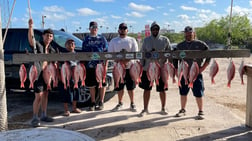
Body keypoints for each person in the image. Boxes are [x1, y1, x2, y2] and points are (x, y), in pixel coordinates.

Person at [174, 26, 210, 120]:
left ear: (193, 33)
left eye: (190, 33)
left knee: (198, 93)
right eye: (186, 33)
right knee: (183, 92)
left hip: (196, 73)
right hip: (184, 72)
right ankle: (182, 110)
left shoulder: (200, 44)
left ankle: (201, 111)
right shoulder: (180, 45)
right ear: (184, 34)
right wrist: (176, 69)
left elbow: (209, 54)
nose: (188, 35)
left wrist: (203, 67)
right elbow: (174, 57)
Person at [28, 19, 58, 127]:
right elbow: (31, 40)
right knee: (38, 96)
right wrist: (30, 27)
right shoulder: (38, 45)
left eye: (50, 36)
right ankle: (35, 117)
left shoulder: (53, 50)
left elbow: (55, 63)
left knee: (46, 94)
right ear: (43, 36)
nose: (49, 38)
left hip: (48, 75)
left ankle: (44, 115)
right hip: (38, 74)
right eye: (47, 35)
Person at [138, 21, 171, 117]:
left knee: (162, 89)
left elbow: (169, 52)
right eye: (153, 29)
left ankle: (163, 107)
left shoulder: (165, 40)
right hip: (148, 68)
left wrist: (168, 63)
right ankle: (145, 109)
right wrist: (142, 66)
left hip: (161, 69)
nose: (155, 30)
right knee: (146, 89)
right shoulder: (146, 40)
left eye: (157, 29)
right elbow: (142, 53)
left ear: (159, 30)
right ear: (151, 30)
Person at [108, 23, 139, 112]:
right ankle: (120, 103)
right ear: (118, 30)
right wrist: (120, 62)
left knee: (130, 87)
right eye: (121, 28)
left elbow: (135, 53)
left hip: (130, 67)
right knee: (119, 86)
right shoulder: (113, 41)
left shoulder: (132, 40)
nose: (122, 30)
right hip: (118, 67)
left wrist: (126, 61)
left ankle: (132, 103)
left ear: (127, 30)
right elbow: (110, 54)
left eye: (124, 28)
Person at [82, 21, 108, 111]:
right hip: (90, 66)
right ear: (89, 28)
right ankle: (92, 102)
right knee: (91, 84)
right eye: (92, 27)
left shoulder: (102, 38)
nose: (94, 29)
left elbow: (106, 52)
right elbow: (83, 53)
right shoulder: (86, 39)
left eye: (96, 27)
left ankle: (101, 101)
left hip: (101, 65)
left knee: (102, 84)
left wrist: (106, 64)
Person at [59, 39, 82, 116]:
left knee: (76, 92)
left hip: (75, 76)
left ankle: (74, 108)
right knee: (65, 93)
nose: (71, 44)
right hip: (66, 76)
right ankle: (66, 110)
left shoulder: (78, 54)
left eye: (72, 43)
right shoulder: (62, 55)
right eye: (69, 43)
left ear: (74, 45)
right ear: (65, 46)